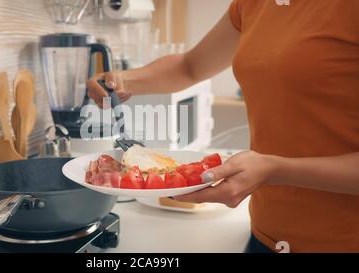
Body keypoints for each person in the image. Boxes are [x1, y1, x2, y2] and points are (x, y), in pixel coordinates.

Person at [86, 0, 359, 253]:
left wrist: (275, 169)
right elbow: (190, 67)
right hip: (267, 235)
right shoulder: (253, 5)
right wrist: (122, 80)